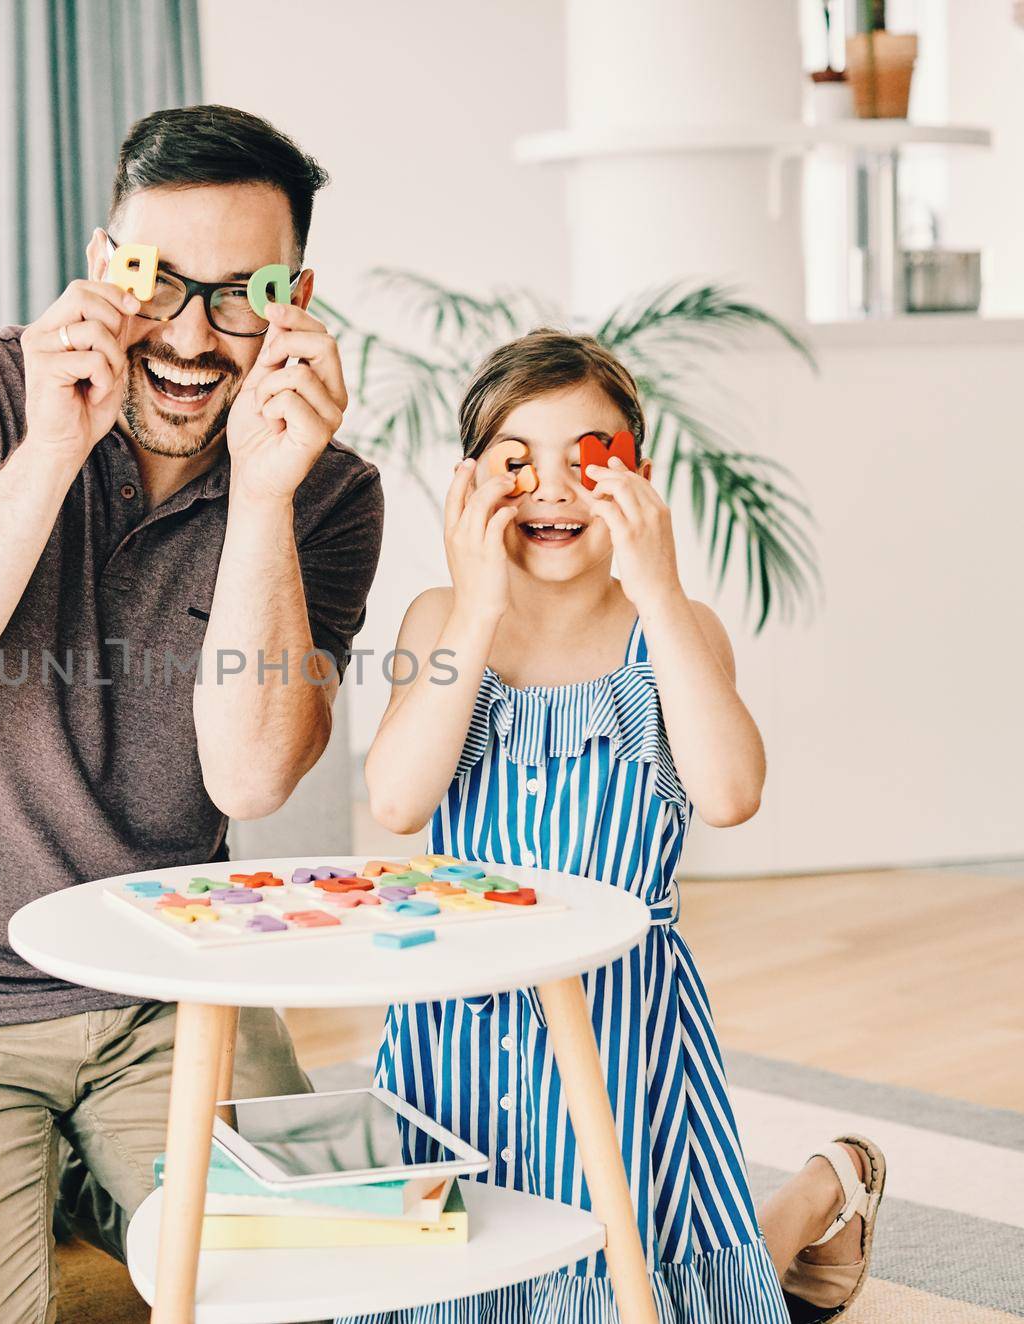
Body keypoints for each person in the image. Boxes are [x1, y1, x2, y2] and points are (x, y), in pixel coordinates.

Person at [0, 104, 383, 1323]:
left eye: (239, 295)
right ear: (105, 263)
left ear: (295, 298)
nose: (187, 335)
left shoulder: (326, 488)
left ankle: (94, 1223)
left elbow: (250, 778)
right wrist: (51, 449)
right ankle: (84, 1231)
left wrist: (263, 498)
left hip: (166, 988)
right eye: (159, 284)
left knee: (319, 1299)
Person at [347, 331, 885, 1323]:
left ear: (637, 476)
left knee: (649, 1279)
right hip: (459, 1024)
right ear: (470, 487)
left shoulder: (672, 631)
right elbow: (396, 800)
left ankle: (827, 1186)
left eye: (588, 461)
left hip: (623, 1024)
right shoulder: (439, 619)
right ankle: (820, 1191)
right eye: (517, 463)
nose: (553, 490)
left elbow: (728, 794)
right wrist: (476, 603)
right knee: (460, 1271)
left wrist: (658, 586)